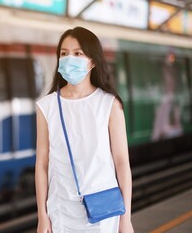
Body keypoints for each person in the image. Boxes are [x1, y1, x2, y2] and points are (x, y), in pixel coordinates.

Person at [35, 27, 134, 233]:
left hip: (104, 213)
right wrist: (43, 217)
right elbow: (42, 164)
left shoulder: (109, 105)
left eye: (78, 53)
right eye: (64, 53)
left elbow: (122, 163)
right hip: (61, 213)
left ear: (93, 61)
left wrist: (126, 219)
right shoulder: (47, 106)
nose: (69, 58)